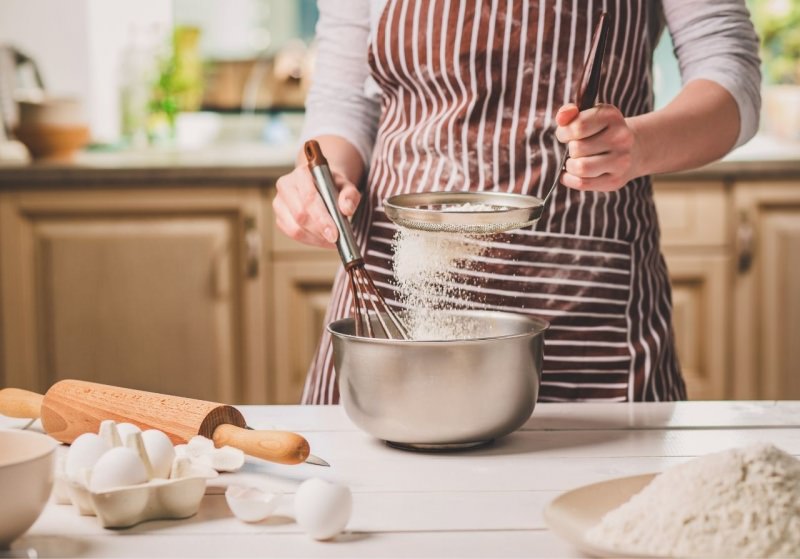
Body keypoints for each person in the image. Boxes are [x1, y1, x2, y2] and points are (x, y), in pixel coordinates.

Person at [274, 0, 761, 405]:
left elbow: (730, 70)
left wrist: (638, 144)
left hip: (587, 309)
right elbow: (346, 98)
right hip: (394, 296)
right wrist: (325, 175)